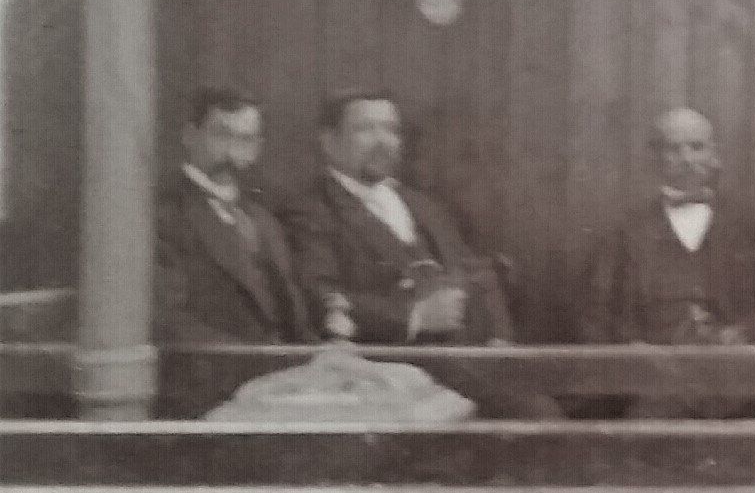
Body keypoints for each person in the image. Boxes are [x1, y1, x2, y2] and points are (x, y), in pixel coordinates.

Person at [280, 90, 516, 346]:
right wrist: (414, 317)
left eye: (391, 130)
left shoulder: (423, 206)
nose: (382, 141)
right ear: (329, 142)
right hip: (377, 367)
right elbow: (318, 297)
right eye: (365, 129)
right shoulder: (308, 212)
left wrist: (497, 337)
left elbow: (476, 275)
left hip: (459, 358)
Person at [580, 107, 755, 350]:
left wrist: (745, 333)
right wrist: (631, 349)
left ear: (715, 154)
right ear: (654, 157)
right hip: (652, 378)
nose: (687, 159)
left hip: (738, 376)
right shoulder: (622, 235)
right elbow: (596, 314)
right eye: (674, 149)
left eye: (697, 147)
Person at [154, 85, 308, 344]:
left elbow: (291, 313)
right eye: (222, 136)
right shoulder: (163, 214)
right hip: (216, 369)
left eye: (246, 140)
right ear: (190, 136)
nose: (232, 153)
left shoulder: (263, 217)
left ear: (258, 147)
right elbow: (168, 320)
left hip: (280, 365)